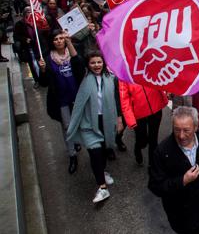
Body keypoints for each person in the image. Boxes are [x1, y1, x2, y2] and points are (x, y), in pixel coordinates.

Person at [148, 106, 199, 234]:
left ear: (195, 127)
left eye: (186, 130)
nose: (181, 136)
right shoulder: (162, 151)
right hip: (181, 215)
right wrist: (182, 180)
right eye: (177, 130)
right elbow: (156, 186)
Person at [66, 52, 120, 203]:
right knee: (95, 153)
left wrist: (120, 118)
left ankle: (102, 171)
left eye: (99, 62)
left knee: (103, 151)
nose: (96, 65)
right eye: (93, 63)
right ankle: (102, 188)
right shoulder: (83, 78)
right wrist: (69, 43)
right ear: (88, 65)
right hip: (89, 123)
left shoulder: (111, 78)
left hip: (106, 121)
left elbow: (117, 99)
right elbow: (76, 60)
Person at [38, 30, 85, 174]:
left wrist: (70, 42)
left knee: (82, 124)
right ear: (52, 42)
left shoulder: (72, 53)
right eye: (55, 39)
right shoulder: (47, 58)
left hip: (77, 97)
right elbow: (43, 83)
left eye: (61, 38)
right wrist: (43, 70)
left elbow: (80, 68)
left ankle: (78, 142)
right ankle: (72, 155)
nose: (58, 41)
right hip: (61, 100)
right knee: (67, 127)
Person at [118, 80, 168, 166]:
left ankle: (152, 165)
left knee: (153, 139)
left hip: (155, 107)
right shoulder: (124, 73)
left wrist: (168, 90)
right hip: (138, 113)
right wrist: (130, 120)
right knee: (142, 140)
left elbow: (161, 76)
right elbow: (124, 100)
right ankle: (138, 147)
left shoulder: (149, 66)